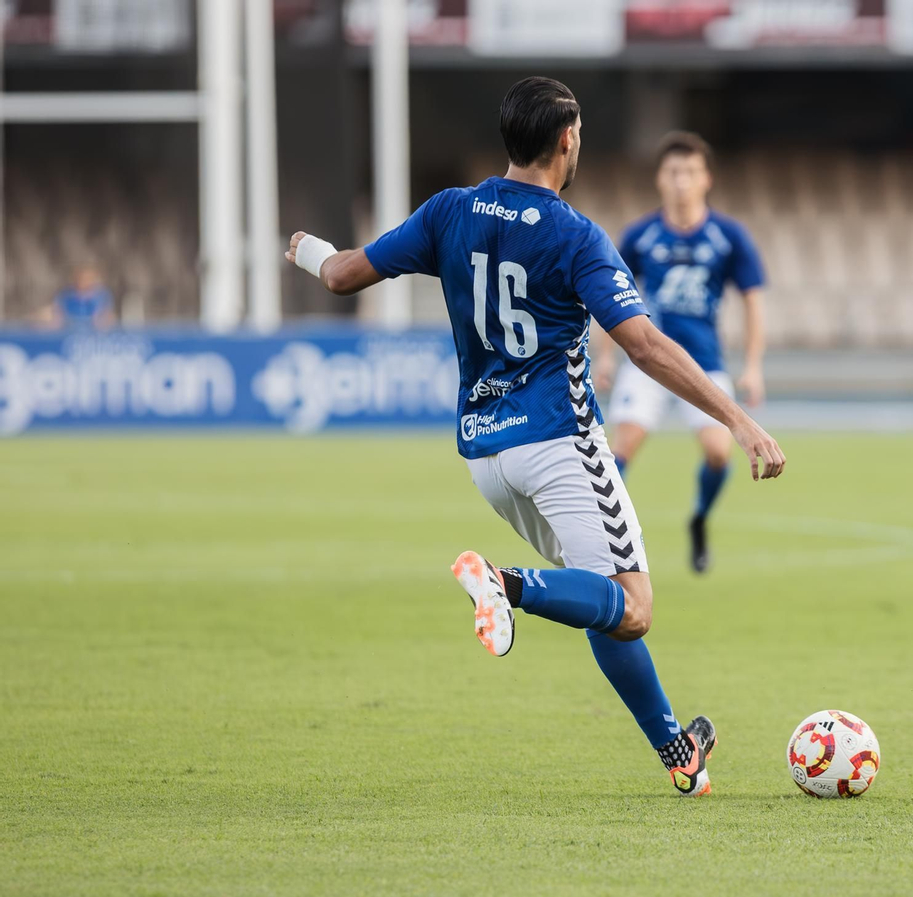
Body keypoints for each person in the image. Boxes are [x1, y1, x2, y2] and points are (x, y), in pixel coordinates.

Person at [283, 76, 787, 795]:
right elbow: (643, 344)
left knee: (598, 595)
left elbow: (339, 275)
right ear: (567, 140)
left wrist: (303, 247)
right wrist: (737, 418)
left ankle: (678, 751)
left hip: (486, 455)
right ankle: (505, 584)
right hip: (560, 441)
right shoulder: (573, 234)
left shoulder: (449, 212)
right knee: (633, 604)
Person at [592, 132, 767, 574]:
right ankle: (607, 542)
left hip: (704, 364)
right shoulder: (641, 236)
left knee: (717, 454)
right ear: (659, 179)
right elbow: (606, 296)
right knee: (621, 451)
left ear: (706, 178)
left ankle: (700, 518)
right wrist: (606, 357)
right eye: (673, 172)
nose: (681, 181)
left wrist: (752, 367)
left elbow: (753, 300)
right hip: (648, 362)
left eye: (690, 172)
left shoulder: (729, 237)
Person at [48, 266, 116, 330]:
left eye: (88, 279)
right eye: (81, 278)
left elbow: (109, 316)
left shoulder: (102, 296)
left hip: (94, 334)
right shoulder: (65, 295)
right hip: (69, 331)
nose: (84, 282)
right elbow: (56, 314)